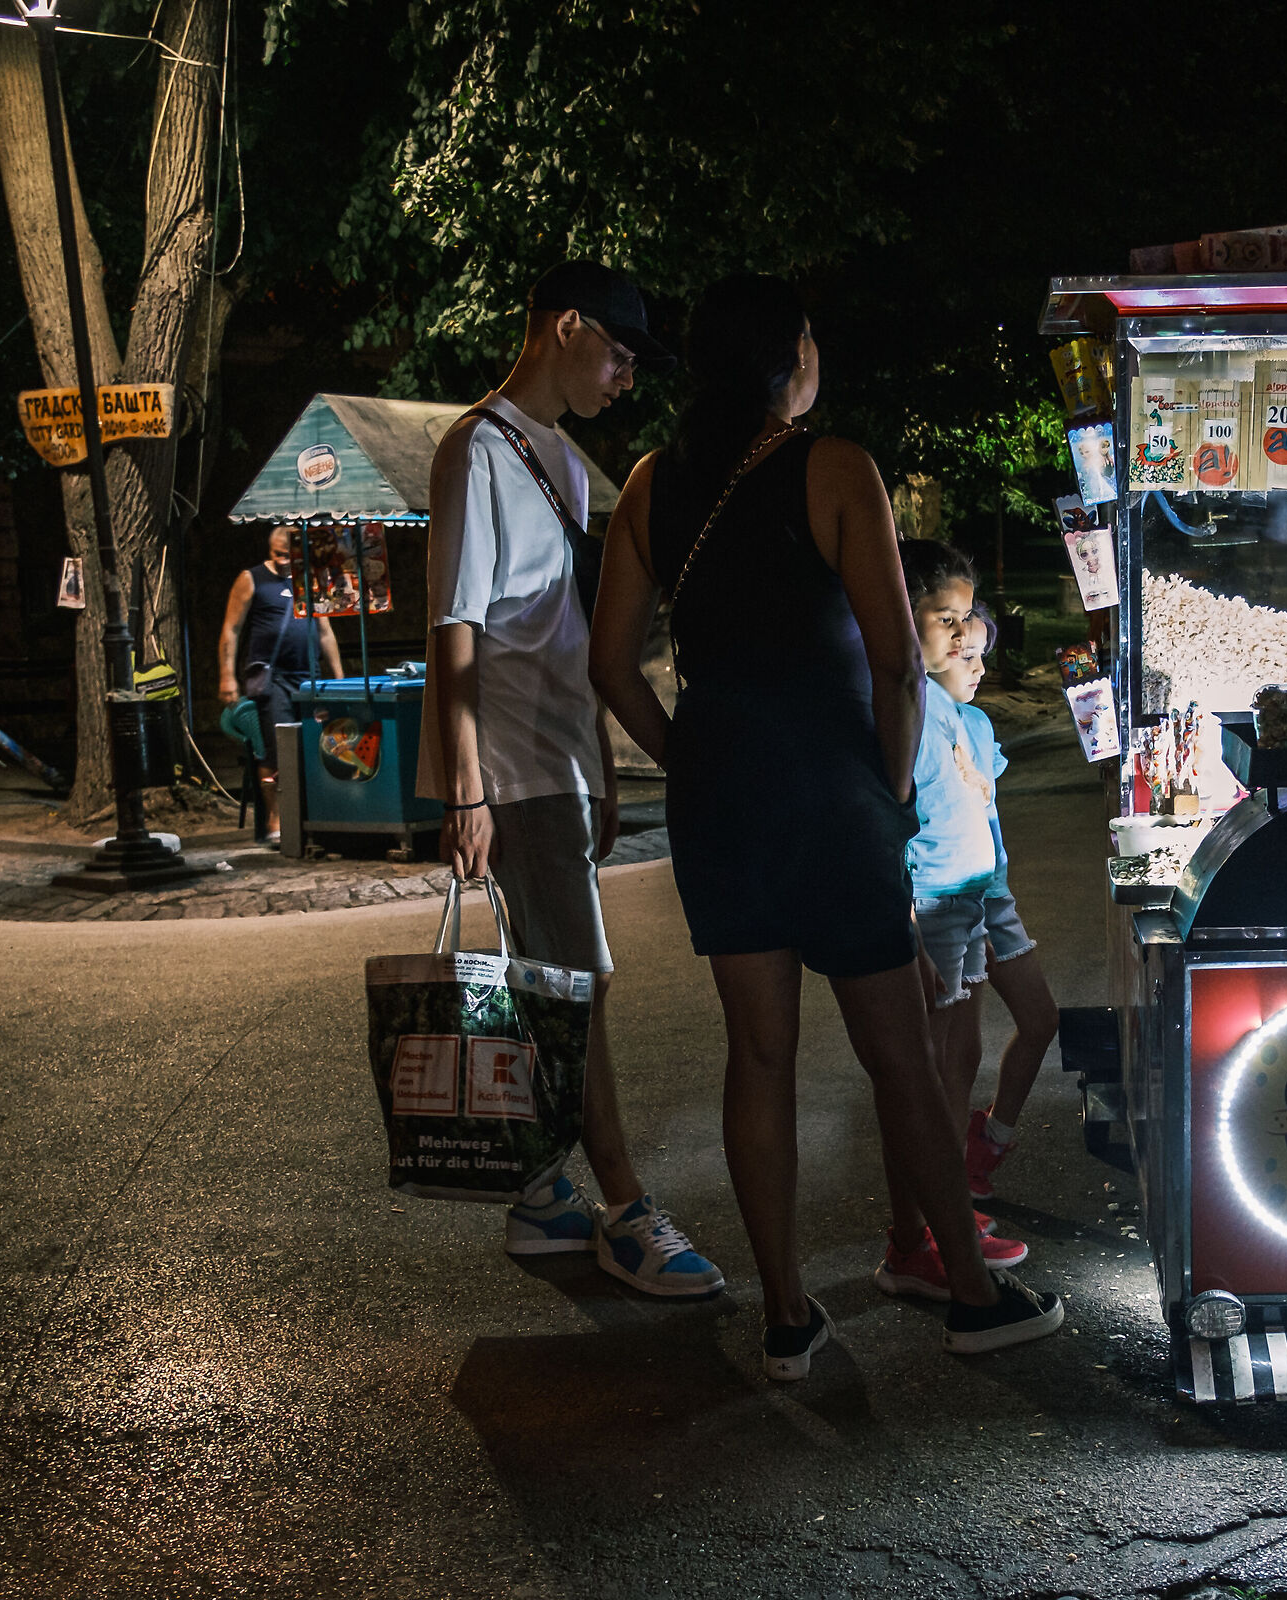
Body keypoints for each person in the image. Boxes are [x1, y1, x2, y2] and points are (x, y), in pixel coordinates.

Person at [587, 273, 1063, 1379]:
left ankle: (789, 1317)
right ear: (791, 355)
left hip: (724, 798)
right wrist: (891, 792)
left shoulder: (651, 482)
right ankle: (972, 1294)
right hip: (833, 791)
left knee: (758, 1053)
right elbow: (897, 660)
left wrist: (690, 759)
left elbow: (611, 663)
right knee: (898, 1053)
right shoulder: (837, 467)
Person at [419, 260, 724, 1300]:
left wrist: (599, 760)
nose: (628, 377)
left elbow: (573, 635)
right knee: (578, 981)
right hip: (508, 760)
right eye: (621, 352)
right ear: (565, 327)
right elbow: (455, 625)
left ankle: (547, 1194)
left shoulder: (568, 464)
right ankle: (626, 1207)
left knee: (556, 977)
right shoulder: (475, 449)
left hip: (559, 754)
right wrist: (465, 788)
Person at [884, 544, 1034, 1292]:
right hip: (935, 901)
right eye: (946, 620)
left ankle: (943, 1215)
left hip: (967, 895)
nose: (961, 635)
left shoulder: (943, 706)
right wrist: (910, 922)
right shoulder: (907, 700)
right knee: (928, 1071)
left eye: (964, 620)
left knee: (957, 1058)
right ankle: (922, 1233)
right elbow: (897, 822)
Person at [939, 608, 1062, 1207]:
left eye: (983, 654)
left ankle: (989, 1141)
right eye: (969, 656)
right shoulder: (918, 726)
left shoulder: (978, 725)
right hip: (949, 900)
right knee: (958, 1051)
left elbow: (985, 805)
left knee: (1040, 1019)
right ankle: (947, 1185)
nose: (982, 668)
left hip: (994, 894)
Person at [217, 526, 343, 842]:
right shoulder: (252, 579)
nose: (285, 561)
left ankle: (311, 814)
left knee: (315, 745)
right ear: (269, 550)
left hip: (309, 675)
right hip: (273, 677)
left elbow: (326, 632)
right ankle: (275, 818)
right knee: (274, 748)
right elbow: (232, 629)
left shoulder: (309, 577)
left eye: (290, 554)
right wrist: (227, 675)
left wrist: (339, 677)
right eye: (279, 554)